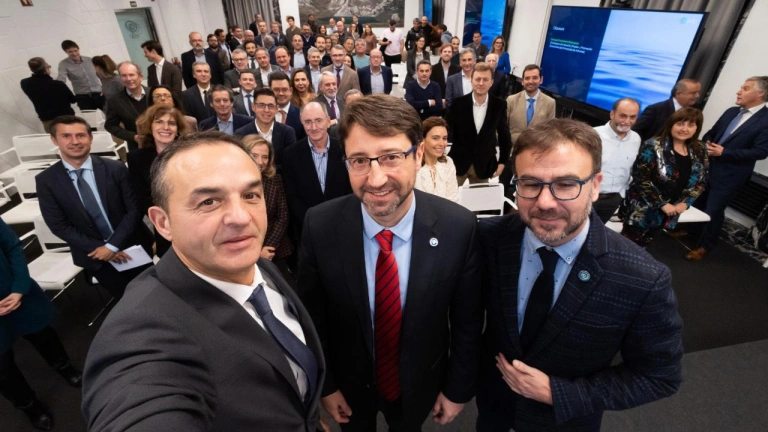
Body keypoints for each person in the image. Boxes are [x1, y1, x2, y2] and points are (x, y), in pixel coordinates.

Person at [82, 131, 326, 431]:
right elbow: (137, 404)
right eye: (209, 201)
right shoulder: (141, 330)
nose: (241, 217)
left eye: (250, 195)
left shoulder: (258, 263)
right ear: (163, 223)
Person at [476, 118, 683, 431]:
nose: (545, 202)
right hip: (493, 409)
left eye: (566, 184)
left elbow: (659, 376)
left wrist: (560, 394)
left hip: (566, 423)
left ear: (596, 186)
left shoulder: (643, 278)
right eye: (530, 184)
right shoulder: (489, 238)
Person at [298, 94, 482, 431]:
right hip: (349, 387)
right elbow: (313, 318)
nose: (376, 178)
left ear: (419, 155)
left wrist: (457, 389)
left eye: (391, 157)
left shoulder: (458, 227)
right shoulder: (319, 225)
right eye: (359, 160)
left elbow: (467, 323)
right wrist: (327, 385)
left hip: (420, 383)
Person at [36, 115, 154, 300]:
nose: (75, 141)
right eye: (66, 136)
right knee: (125, 301)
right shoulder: (46, 180)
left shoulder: (115, 168)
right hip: (94, 255)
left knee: (154, 293)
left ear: (90, 138)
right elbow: (58, 225)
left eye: (80, 135)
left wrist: (112, 246)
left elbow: (134, 210)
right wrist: (102, 249)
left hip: (131, 246)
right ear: (54, 140)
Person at [0, 218, 83, 431]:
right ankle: (29, 406)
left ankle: (65, 368)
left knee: (43, 335)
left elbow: (12, 247)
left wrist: (20, 287)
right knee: (2, 369)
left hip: (17, 292)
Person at [686, 76, 768, 260]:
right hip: (708, 168)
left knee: (713, 210)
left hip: (730, 176)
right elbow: (711, 133)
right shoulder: (731, 112)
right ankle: (690, 231)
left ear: (760, 93)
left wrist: (725, 152)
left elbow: (760, 152)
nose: (739, 92)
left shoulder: (766, 120)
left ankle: (705, 246)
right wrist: (707, 144)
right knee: (698, 202)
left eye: (745, 88)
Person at [622, 107, 707, 247]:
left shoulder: (700, 149)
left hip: (671, 212)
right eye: (680, 123)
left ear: (697, 128)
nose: (684, 129)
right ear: (671, 124)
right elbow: (640, 179)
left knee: (644, 247)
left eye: (690, 125)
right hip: (643, 210)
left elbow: (701, 181)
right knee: (626, 247)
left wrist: (686, 203)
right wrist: (661, 204)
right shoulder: (653, 145)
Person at [129, 105, 191, 256]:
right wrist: (167, 217)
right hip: (164, 222)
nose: (166, 127)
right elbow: (142, 197)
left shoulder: (190, 154)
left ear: (178, 129)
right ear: (150, 127)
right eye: (159, 122)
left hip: (191, 218)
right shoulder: (136, 158)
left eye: (171, 123)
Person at [282, 102, 351, 238]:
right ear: (302, 123)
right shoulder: (290, 155)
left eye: (318, 121)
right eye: (308, 122)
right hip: (307, 229)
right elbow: (292, 196)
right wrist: (313, 221)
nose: (313, 127)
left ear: (328, 121)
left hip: (343, 225)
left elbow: (350, 190)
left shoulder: (345, 150)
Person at [446, 62, 512, 185]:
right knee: (451, 196)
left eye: (485, 79)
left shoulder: (499, 105)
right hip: (458, 163)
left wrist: (503, 162)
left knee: (479, 197)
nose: (481, 83)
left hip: (484, 165)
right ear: (471, 81)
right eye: (478, 79)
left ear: (491, 82)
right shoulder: (458, 103)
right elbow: (445, 129)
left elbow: (504, 136)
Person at [241, 135, 294, 279]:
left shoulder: (275, 180)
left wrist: (267, 248)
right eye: (254, 155)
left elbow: (282, 217)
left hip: (275, 250)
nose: (260, 161)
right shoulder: (233, 182)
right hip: (244, 251)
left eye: (265, 157)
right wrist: (256, 251)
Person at [592, 98, 642, 223]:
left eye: (632, 117)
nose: (627, 121)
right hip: (589, 196)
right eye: (623, 116)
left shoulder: (636, 139)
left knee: (598, 232)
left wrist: (621, 194)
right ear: (612, 114)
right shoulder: (593, 134)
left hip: (614, 199)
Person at [234, 88, 297, 167]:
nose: (266, 110)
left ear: (276, 109)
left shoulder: (287, 132)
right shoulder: (241, 134)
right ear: (253, 107)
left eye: (271, 106)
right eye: (261, 105)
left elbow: (291, 162)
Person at [633, 79, 701, 143]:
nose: (697, 95)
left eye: (698, 92)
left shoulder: (696, 110)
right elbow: (636, 131)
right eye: (693, 93)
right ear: (678, 94)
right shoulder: (655, 109)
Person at [21, 57, 75, 133]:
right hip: (66, 118)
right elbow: (72, 100)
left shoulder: (25, 83)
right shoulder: (58, 84)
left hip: (47, 120)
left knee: (55, 139)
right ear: (45, 69)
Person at [104, 61, 148, 152]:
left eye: (131, 75)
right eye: (124, 76)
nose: (128, 79)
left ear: (140, 77)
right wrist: (133, 137)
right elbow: (110, 125)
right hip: (137, 146)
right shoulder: (114, 101)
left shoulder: (155, 93)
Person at [506, 64, 556, 144]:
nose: (530, 81)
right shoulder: (511, 100)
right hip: (513, 148)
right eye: (527, 78)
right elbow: (503, 129)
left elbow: (550, 133)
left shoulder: (550, 103)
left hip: (537, 149)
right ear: (522, 81)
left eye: (535, 78)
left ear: (541, 80)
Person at [415, 116, 458, 202]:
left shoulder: (448, 162)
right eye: (435, 138)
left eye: (444, 138)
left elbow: (453, 199)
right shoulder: (412, 166)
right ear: (422, 139)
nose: (442, 144)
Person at [56, 40, 103, 110]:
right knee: (90, 117)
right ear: (65, 52)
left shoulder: (89, 60)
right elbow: (61, 80)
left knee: (111, 115)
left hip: (99, 94)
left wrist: (104, 88)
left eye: (76, 50)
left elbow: (101, 74)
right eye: (70, 52)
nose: (74, 53)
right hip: (83, 98)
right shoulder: (63, 64)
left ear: (78, 49)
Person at [270, 71, 306, 141]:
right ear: (270, 91)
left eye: (284, 89)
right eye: (276, 90)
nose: (281, 93)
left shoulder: (301, 115)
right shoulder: (263, 114)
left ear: (291, 91)